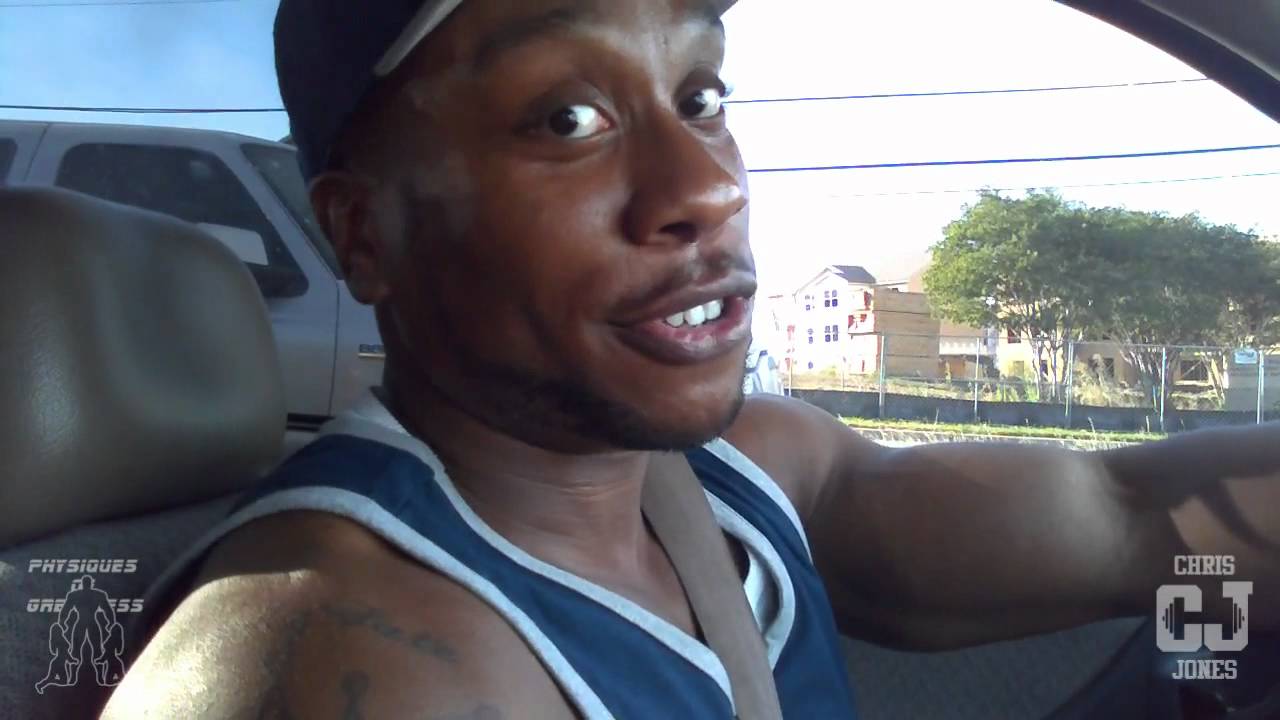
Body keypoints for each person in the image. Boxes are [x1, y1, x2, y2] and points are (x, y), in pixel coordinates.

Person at [105, 1, 1279, 718]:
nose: (704, 185)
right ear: (365, 234)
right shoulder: (344, 658)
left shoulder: (742, 477)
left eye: (699, 93)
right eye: (565, 119)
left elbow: (1133, 522)